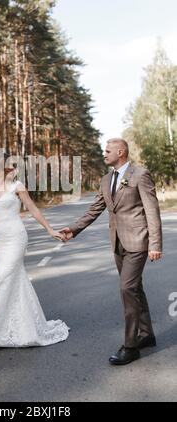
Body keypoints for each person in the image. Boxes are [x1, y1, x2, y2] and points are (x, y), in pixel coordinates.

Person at [60, 138, 163, 365]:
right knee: (135, 289)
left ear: (121, 152)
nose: (104, 154)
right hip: (117, 243)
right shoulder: (106, 179)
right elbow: (95, 208)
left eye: (107, 151)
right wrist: (73, 229)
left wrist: (155, 244)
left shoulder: (140, 174)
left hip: (138, 241)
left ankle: (130, 346)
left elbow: (152, 211)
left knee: (127, 288)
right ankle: (146, 335)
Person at [0, 153, 70, 349]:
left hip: (16, 237)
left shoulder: (17, 186)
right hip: (0, 241)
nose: (14, 169)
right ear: (0, 169)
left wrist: (50, 229)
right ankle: (19, 327)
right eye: (11, 166)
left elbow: (33, 209)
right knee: (14, 281)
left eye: (14, 166)